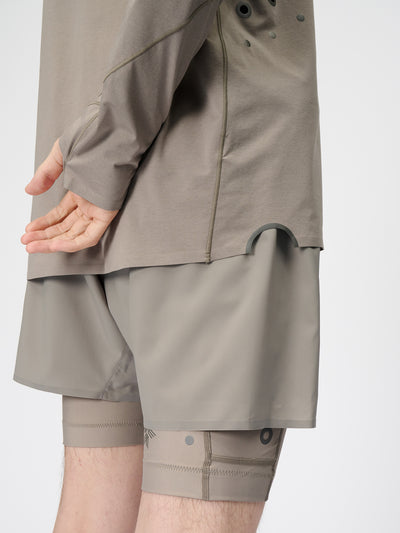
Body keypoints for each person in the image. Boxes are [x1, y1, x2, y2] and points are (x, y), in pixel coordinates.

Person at [14, 1, 323, 531]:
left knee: (90, 510)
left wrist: (98, 155)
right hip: (210, 188)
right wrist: (108, 142)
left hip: (77, 200)